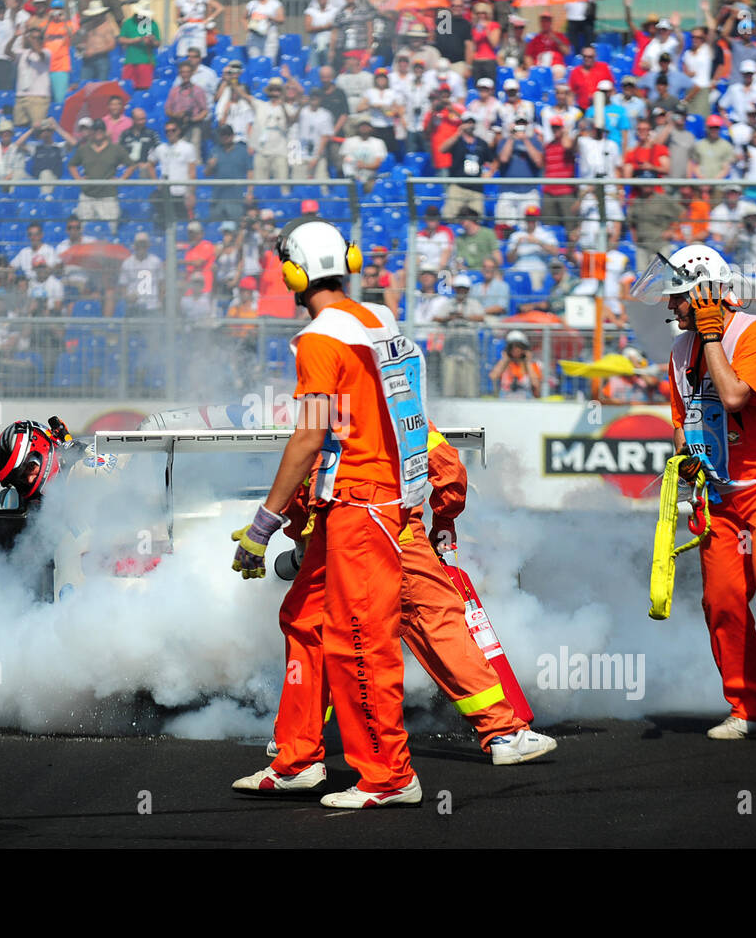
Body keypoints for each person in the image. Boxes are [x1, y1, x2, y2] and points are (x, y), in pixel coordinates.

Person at [231, 219, 429, 809]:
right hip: (364, 498)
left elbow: (308, 436)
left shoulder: (318, 340)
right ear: (347, 260)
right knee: (305, 618)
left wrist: (262, 528)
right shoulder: (377, 318)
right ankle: (297, 759)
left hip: (360, 505)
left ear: (293, 273)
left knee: (360, 640)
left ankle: (391, 777)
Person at [275, 421, 557, 764]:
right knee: (437, 625)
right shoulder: (401, 409)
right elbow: (449, 471)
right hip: (396, 534)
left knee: (318, 631)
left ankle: (295, 740)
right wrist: (444, 521)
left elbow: (296, 489)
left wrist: (302, 538)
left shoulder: (321, 415)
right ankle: (503, 733)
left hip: (333, 540)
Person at [647, 243, 756, 744]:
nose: (670, 307)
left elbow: (735, 395)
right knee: (720, 598)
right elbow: (683, 423)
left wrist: (713, 337)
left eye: (677, 297)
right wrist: (682, 458)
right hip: (718, 489)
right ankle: (748, 705)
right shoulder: (680, 352)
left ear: (703, 296)